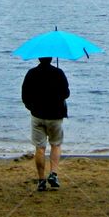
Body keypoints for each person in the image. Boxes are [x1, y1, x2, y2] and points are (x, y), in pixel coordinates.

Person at [21, 56, 70, 191]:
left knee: (40, 148)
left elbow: (25, 95)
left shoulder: (31, 73)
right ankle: (53, 174)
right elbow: (66, 93)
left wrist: (31, 108)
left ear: (38, 58)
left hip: (37, 115)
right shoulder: (59, 73)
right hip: (55, 116)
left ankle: (41, 180)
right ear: (51, 58)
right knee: (56, 144)